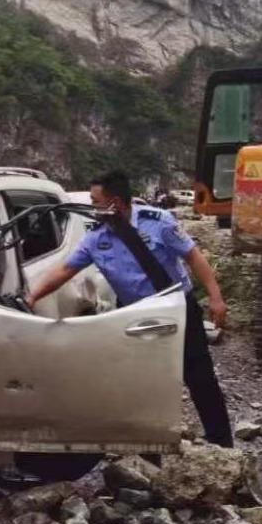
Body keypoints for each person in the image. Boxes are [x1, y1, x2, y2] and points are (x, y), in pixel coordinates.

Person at [26, 170, 234, 449]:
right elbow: (64, 270)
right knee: (141, 380)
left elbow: (193, 256)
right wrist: (32, 297)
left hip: (177, 308)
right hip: (134, 315)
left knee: (199, 377)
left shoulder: (159, 223)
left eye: (95, 200)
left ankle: (221, 444)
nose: (92, 206)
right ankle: (148, 445)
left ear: (115, 203)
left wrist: (216, 298)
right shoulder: (95, 238)